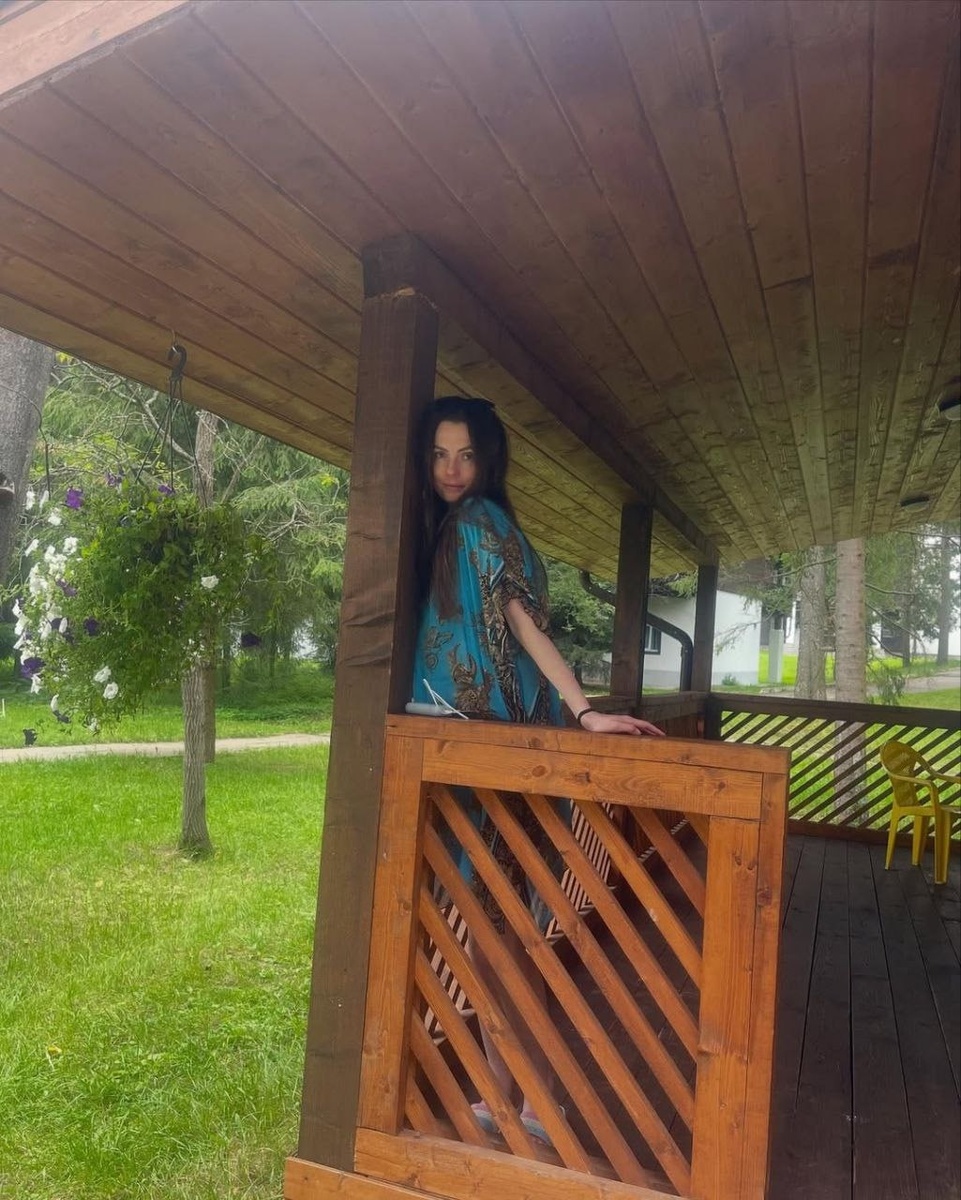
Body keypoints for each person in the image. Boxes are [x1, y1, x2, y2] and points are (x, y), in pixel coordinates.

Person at [410, 396, 663, 1148]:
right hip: (482, 756)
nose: (451, 470)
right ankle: (509, 1095)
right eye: (439, 454)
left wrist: (583, 711)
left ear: (487, 461)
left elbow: (519, 622)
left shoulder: (478, 523)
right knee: (494, 938)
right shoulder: (462, 527)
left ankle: (536, 1102)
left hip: (493, 756)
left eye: (465, 455)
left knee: (501, 939)